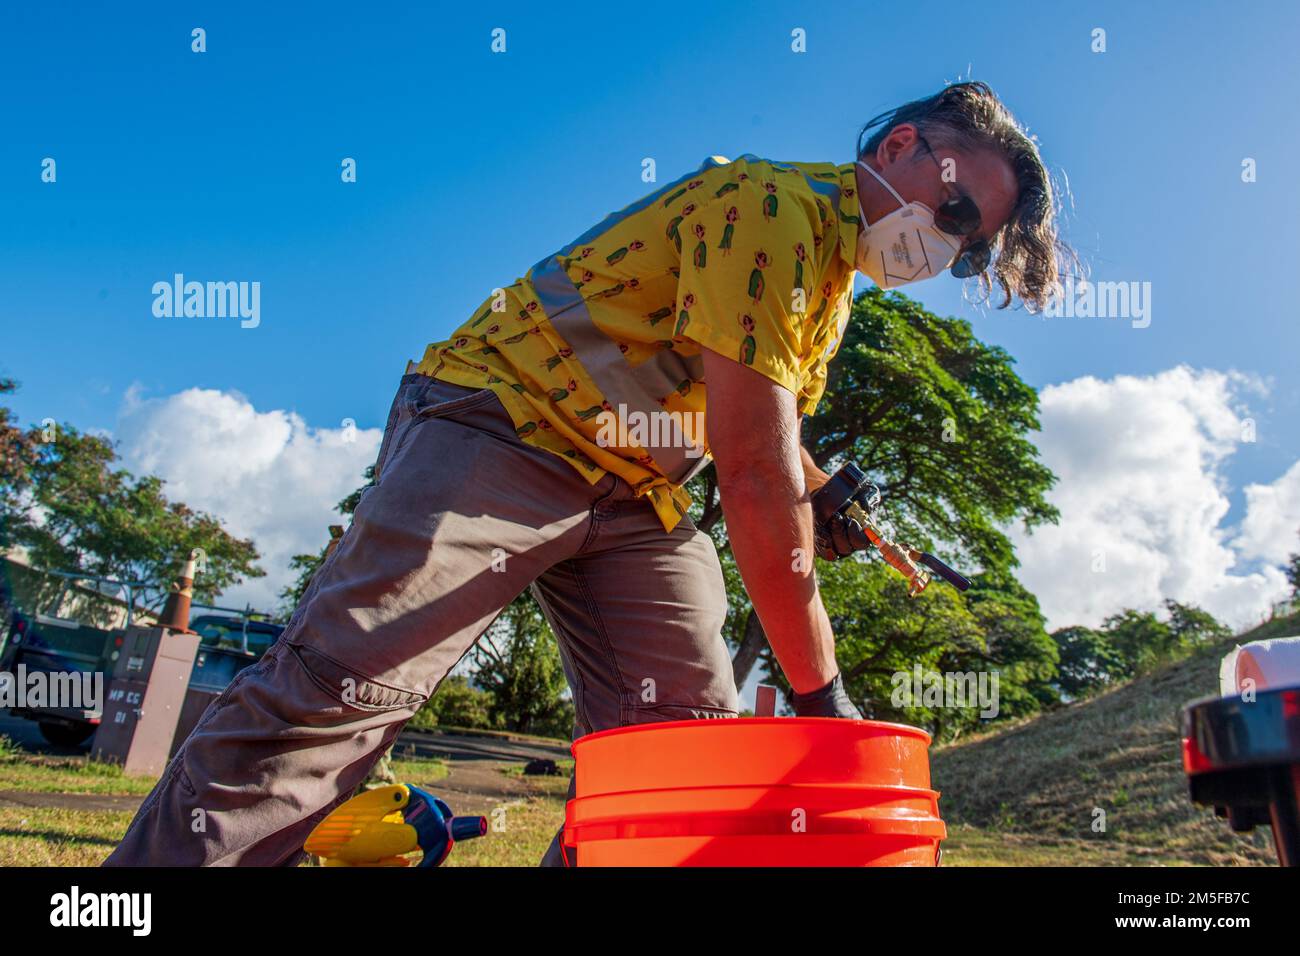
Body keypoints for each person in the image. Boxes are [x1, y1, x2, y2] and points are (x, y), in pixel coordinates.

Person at [105, 81, 1069, 866]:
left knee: (682, 754)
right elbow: (750, 466)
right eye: (951, 210)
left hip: (633, 494)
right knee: (340, 693)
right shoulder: (773, 207)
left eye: (969, 242)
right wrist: (822, 700)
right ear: (899, 146)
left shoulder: (829, 283)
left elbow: (750, 414)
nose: (946, 244)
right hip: (508, 426)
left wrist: (822, 487)